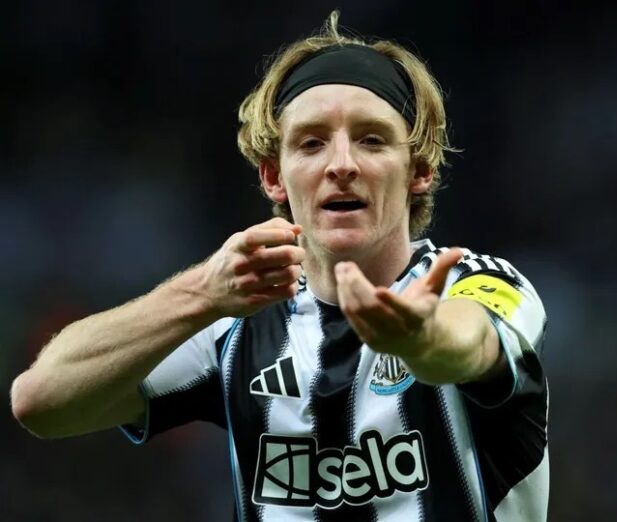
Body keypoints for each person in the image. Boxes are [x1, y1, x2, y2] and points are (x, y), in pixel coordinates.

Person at [11, 11, 549, 522]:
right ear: (274, 177)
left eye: (372, 139)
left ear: (420, 170)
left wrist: (421, 339)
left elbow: (471, 342)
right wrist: (199, 293)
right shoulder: (234, 323)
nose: (341, 164)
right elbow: (41, 401)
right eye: (312, 143)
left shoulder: (478, 282)